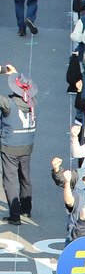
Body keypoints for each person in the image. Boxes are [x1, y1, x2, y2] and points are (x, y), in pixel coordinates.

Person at [0, 66, 35, 224]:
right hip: (27, 144)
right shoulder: (33, 102)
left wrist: (8, 72)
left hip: (10, 145)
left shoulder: (8, 103)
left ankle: (14, 215)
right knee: (24, 176)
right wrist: (14, 74)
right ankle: (26, 209)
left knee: (10, 180)